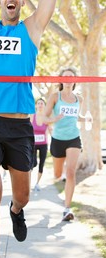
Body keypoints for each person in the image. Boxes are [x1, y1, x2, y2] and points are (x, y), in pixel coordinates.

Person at [0, 0, 57, 258]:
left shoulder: (31, 29)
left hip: (19, 127)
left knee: (22, 196)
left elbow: (47, 6)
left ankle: (16, 211)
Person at [44, 66, 90, 222]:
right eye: (66, 76)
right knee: (58, 175)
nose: (69, 78)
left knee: (70, 173)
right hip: (57, 139)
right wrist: (54, 119)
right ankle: (59, 173)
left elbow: (76, 117)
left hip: (73, 138)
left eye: (72, 76)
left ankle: (67, 209)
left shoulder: (79, 99)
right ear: (61, 79)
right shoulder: (55, 97)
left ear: (75, 80)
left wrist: (86, 119)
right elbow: (44, 118)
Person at [30, 97, 52, 191]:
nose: (40, 105)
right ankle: (29, 182)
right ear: (36, 105)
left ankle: (37, 184)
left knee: (41, 164)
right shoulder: (32, 116)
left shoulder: (46, 118)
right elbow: (28, 129)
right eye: (38, 103)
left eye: (42, 103)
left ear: (44, 106)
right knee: (33, 163)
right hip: (34, 144)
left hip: (43, 144)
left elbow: (50, 130)